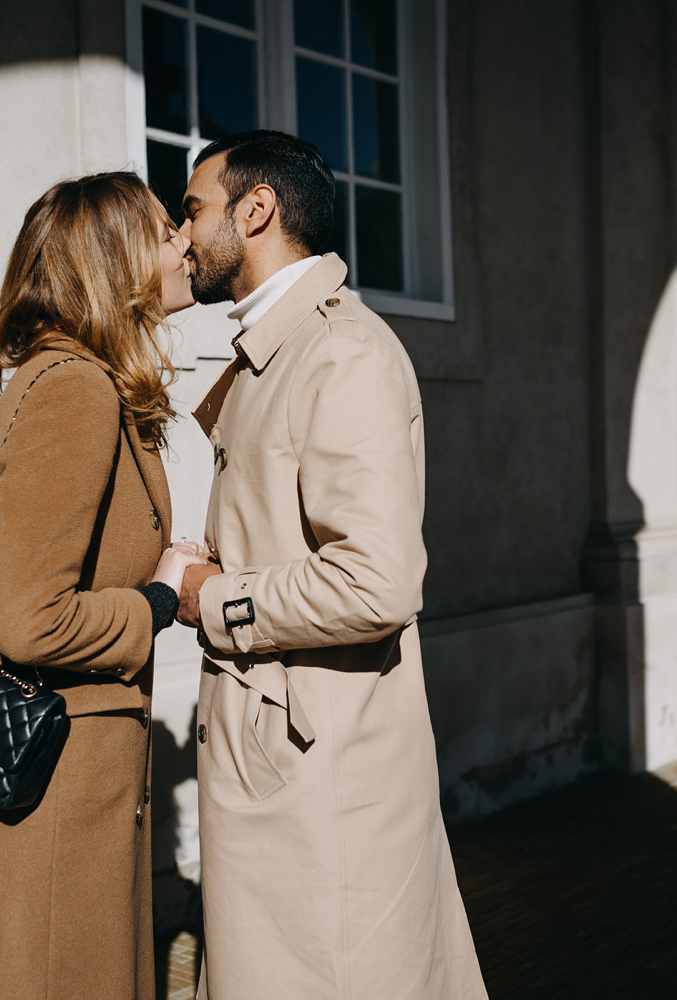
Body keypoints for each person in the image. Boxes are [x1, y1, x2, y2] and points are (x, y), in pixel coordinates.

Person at [174, 131, 488, 999]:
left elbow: (378, 581)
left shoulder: (341, 351)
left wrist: (213, 597)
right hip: (284, 760)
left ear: (257, 208)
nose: (180, 232)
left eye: (192, 208)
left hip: (321, 772)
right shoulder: (278, 345)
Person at [0, 172, 210, 1000]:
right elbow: (33, 619)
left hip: (44, 789)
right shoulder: (76, 389)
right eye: (160, 228)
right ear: (112, 259)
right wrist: (158, 598)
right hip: (46, 803)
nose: (181, 241)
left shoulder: (61, 376)